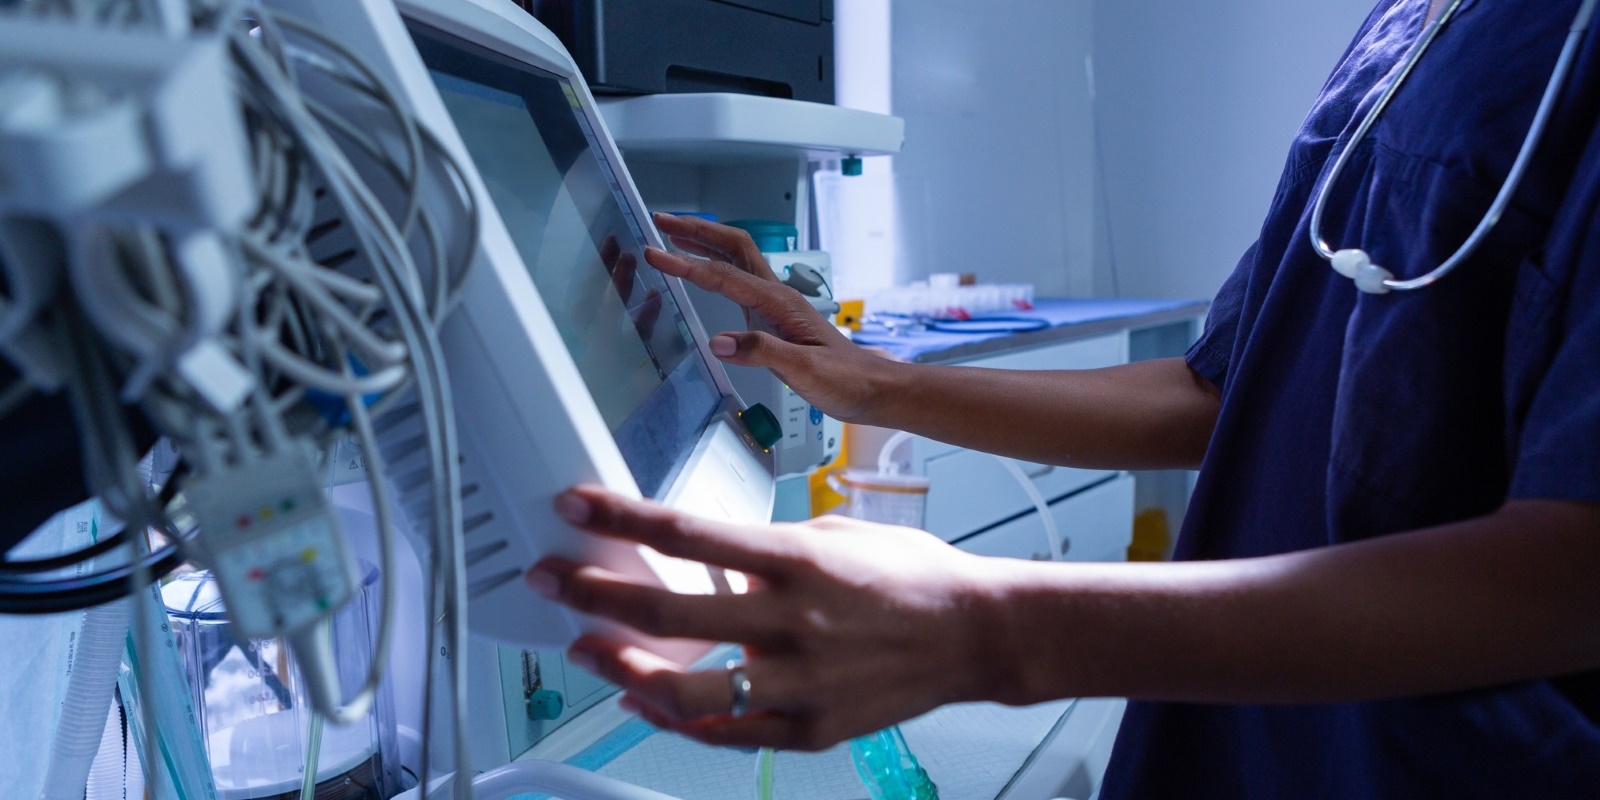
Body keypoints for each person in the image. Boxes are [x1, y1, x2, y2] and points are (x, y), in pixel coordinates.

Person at [523, 0, 1600, 795]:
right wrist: (874, 381)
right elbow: (1218, 388)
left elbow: (1571, 569)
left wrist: (993, 628)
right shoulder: (1410, 30)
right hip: (1251, 745)